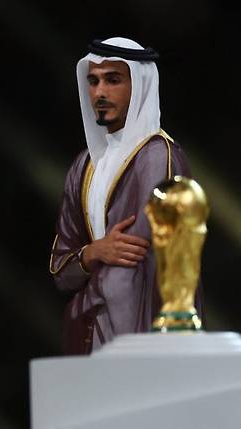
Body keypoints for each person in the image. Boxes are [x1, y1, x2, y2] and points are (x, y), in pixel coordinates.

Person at [49, 37, 203, 354]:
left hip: (142, 338)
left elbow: (130, 262)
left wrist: (90, 258)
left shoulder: (158, 158)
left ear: (141, 86)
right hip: (88, 335)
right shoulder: (84, 166)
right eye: (93, 81)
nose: (100, 93)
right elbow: (60, 270)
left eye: (113, 80)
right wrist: (93, 253)